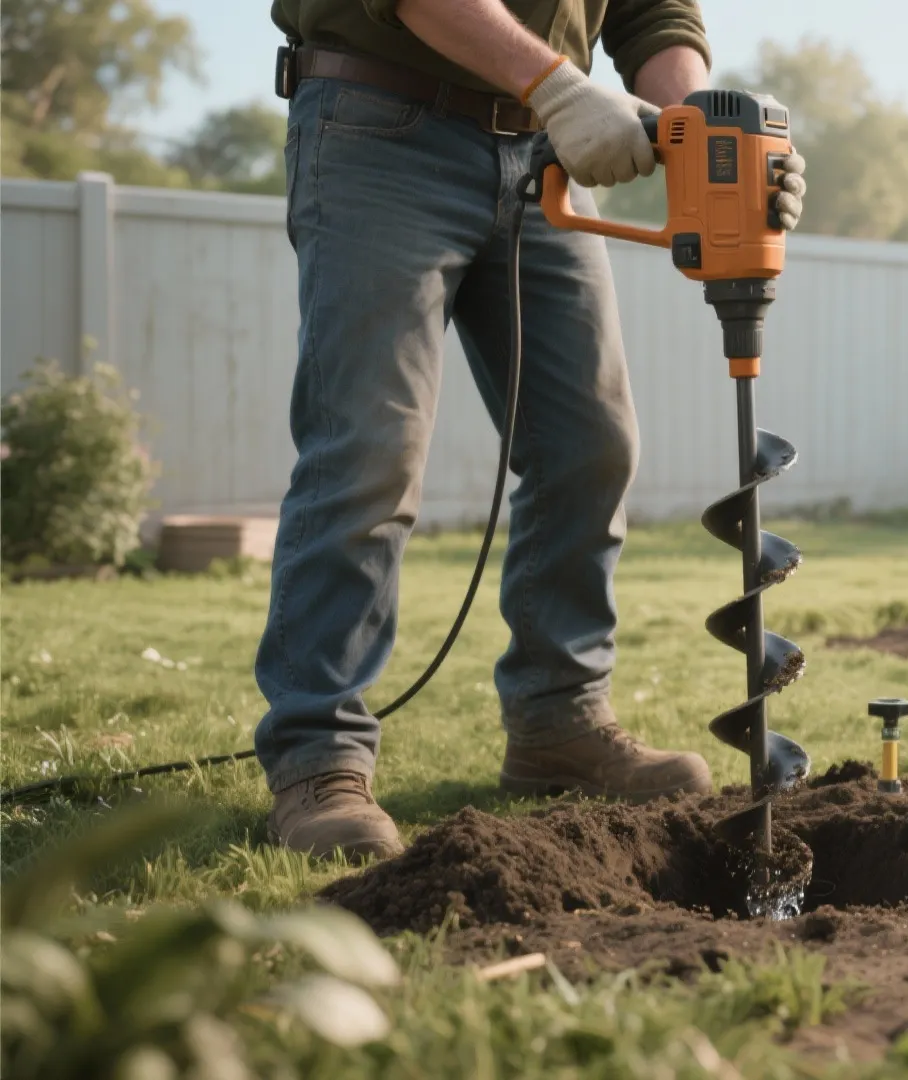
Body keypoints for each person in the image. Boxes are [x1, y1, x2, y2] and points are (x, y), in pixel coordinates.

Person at [257, 0, 805, 861]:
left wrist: (701, 130)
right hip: (380, 125)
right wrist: (557, 83)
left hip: (546, 152)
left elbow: (651, 11)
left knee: (592, 443)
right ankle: (319, 754)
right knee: (370, 449)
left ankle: (560, 723)